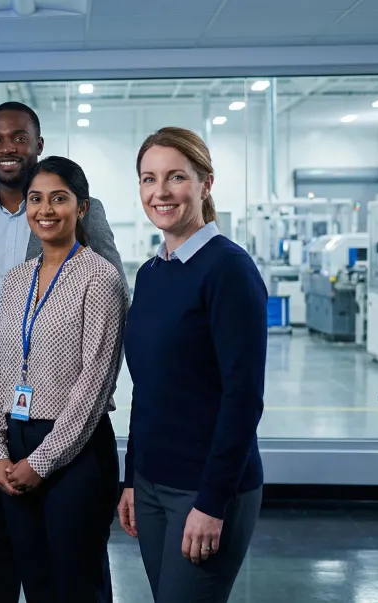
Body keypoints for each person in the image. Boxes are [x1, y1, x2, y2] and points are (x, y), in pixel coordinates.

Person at [0, 101, 123, 603]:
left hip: (68, 408)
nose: (8, 148)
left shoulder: (95, 270)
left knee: (76, 564)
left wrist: (43, 458)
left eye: (19, 137)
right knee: (10, 541)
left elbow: (108, 320)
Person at [117, 126, 267, 603]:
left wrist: (211, 502)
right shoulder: (152, 272)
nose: (160, 192)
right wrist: (131, 479)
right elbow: (148, 386)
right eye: (148, 178)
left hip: (204, 491)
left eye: (175, 176)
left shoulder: (229, 271)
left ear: (206, 184)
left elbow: (243, 398)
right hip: (153, 485)